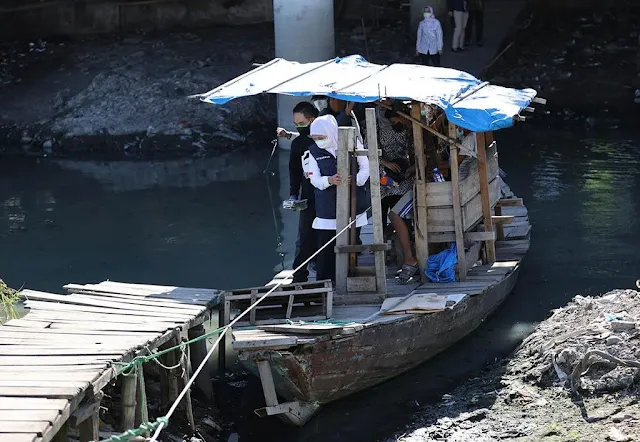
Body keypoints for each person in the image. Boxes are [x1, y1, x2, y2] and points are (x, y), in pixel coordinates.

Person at [307, 115, 370, 284]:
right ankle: (325, 283)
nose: (319, 141)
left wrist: (355, 179)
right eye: (316, 138)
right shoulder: (313, 152)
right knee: (326, 247)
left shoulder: (353, 144)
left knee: (351, 244)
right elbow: (314, 178)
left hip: (353, 204)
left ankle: (349, 278)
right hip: (327, 207)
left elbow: (366, 167)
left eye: (322, 137)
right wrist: (328, 180)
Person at [285, 101, 319, 283]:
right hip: (307, 195)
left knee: (324, 235)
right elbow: (294, 170)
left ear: (313, 120)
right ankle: (299, 275)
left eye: (301, 124)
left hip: (327, 194)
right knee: (304, 236)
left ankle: (325, 272)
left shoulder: (325, 139)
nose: (299, 128)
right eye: (296, 124)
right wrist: (293, 194)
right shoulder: (297, 143)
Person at [373, 108, 414, 231]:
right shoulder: (376, 126)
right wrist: (385, 162)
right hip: (384, 177)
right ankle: (383, 241)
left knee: (403, 215)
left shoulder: (407, 128)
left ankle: (402, 242)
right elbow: (369, 150)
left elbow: (413, 150)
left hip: (403, 176)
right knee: (380, 218)